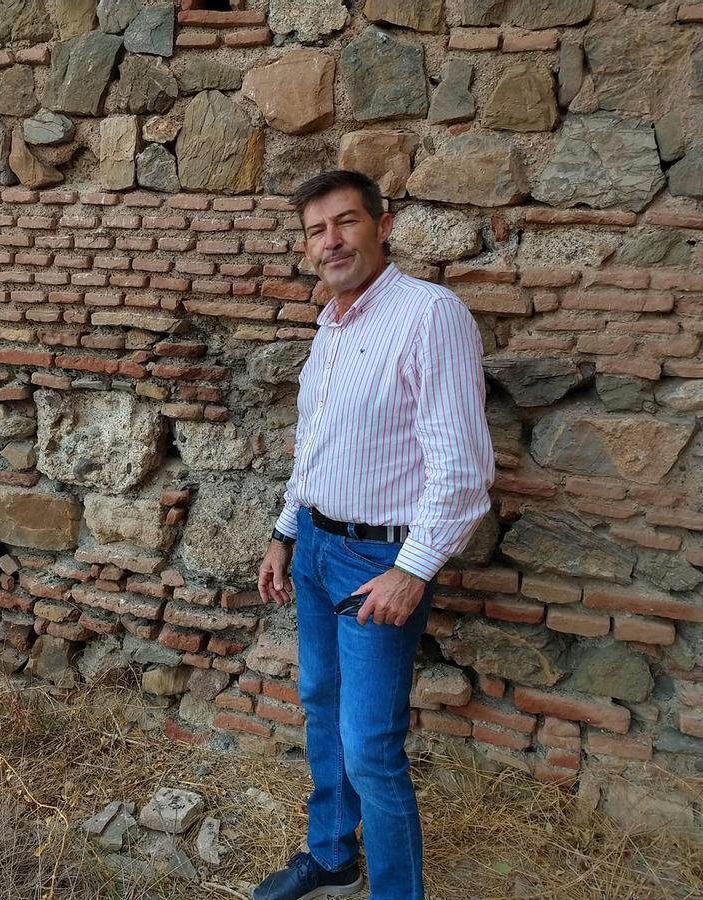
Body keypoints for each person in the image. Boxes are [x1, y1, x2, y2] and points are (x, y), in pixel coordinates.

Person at [253, 171, 494, 900]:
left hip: (377, 564)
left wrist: (412, 569)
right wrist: (283, 532)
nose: (331, 241)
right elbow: (313, 448)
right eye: (316, 230)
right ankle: (331, 856)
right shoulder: (329, 327)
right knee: (321, 708)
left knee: (370, 747)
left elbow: (463, 469)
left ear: (381, 226)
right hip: (317, 550)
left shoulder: (430, 315)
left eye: (345, 222)